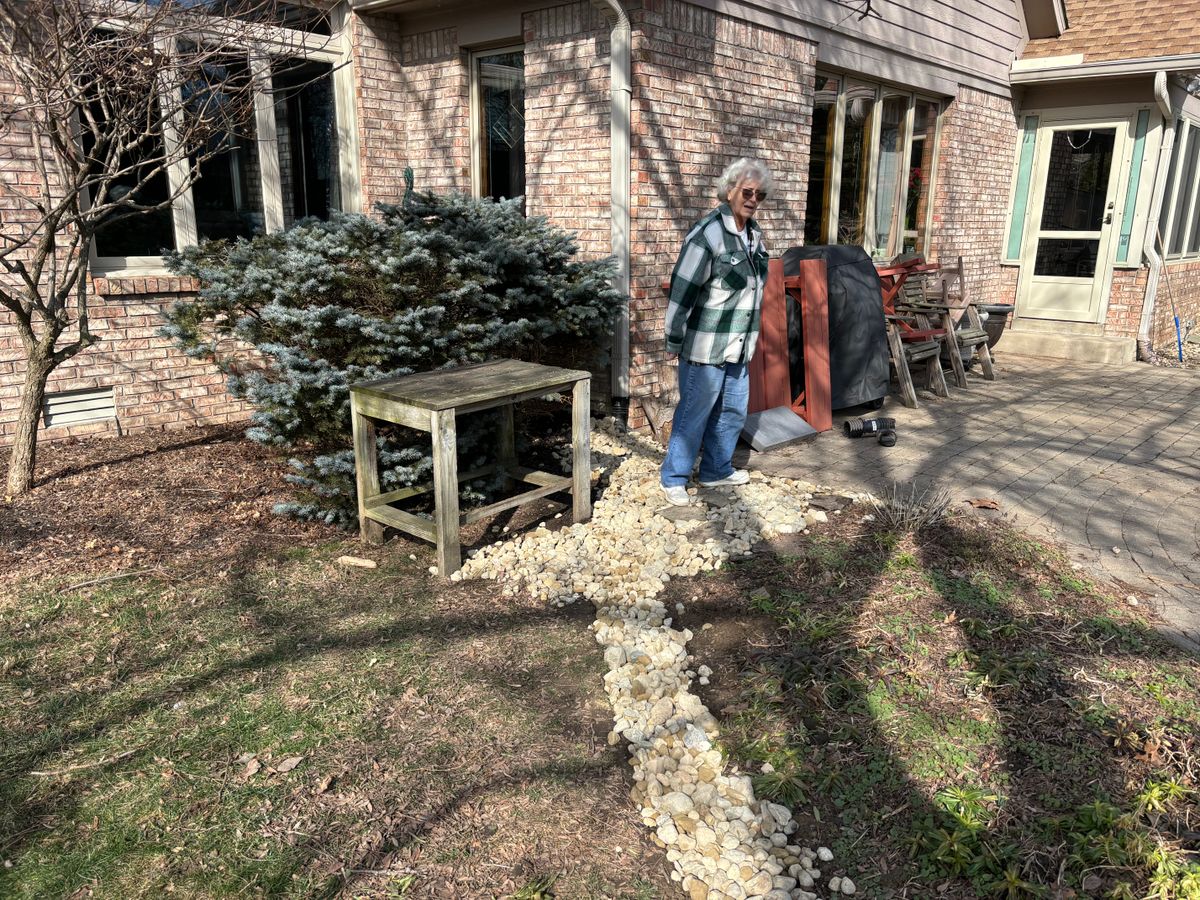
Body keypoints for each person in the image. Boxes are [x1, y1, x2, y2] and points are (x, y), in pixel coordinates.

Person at [660, 157, 772, 506]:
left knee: (733, 411)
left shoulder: (754, 236)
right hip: (705, 347)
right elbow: (682, 290)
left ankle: (715, 470)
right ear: (729, 191)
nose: (753, 199)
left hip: (739, 346)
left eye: (760, 194)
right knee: (694, 412)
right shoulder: (708, 234)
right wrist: (673, 339)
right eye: (747, 192)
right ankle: (674, 477)